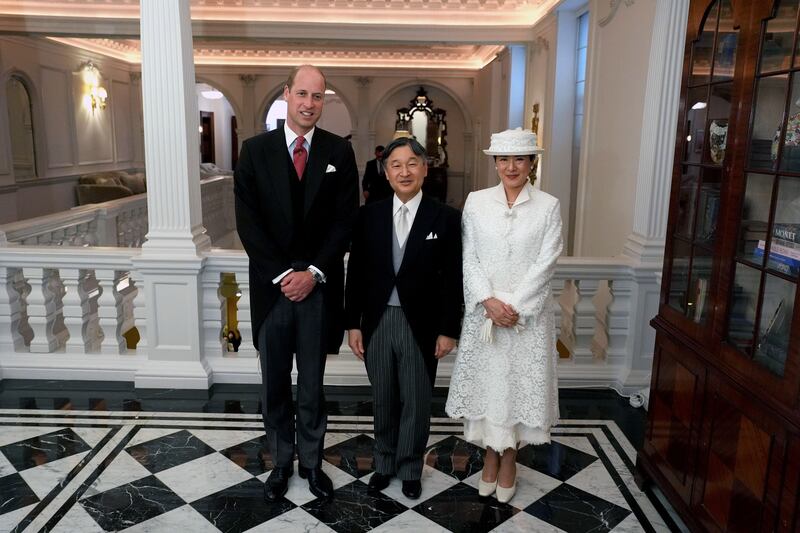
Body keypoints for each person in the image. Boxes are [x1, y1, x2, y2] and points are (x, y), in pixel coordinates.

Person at [234, 64, 359, 502]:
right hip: (272, 292)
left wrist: (314, 274)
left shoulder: (338, 154)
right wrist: (286, 275)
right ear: (287, 94)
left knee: (312, 386)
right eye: (302, 94)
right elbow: (248, 224)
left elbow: (345, 223)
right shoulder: (254, 151)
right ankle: (280, 463)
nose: (309, 103)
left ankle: (311, 462)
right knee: (274, 387)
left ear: (324, 101)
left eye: (318, 96)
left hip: (319, 291)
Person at [445, 128, 563, 504]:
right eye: (503, 159)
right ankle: (489, 457)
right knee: (490, 389)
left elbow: (548, 261)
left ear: (532, 163)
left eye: (519, 159)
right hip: (486, 317)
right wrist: (488, 302)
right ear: (494, 162)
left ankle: (509, 458)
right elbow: (468, 257)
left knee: (516, 391)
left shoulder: (548, 206)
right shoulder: (476, 202)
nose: (510, 167)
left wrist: (514, 306)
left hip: (526, 320)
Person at [345, 137, 463, 500]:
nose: (404, 171)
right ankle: (383, 462)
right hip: (378, 322)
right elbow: (358, 274)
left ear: (425, 168)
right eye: (396, 164)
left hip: (421, 325)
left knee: (415, 398)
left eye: (412, 163)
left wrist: (447, 329)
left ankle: (410, 466)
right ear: (386, 171)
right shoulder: (369, 215)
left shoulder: (445, 217)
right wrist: (352, 323)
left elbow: (452, 279)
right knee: (383, 397)